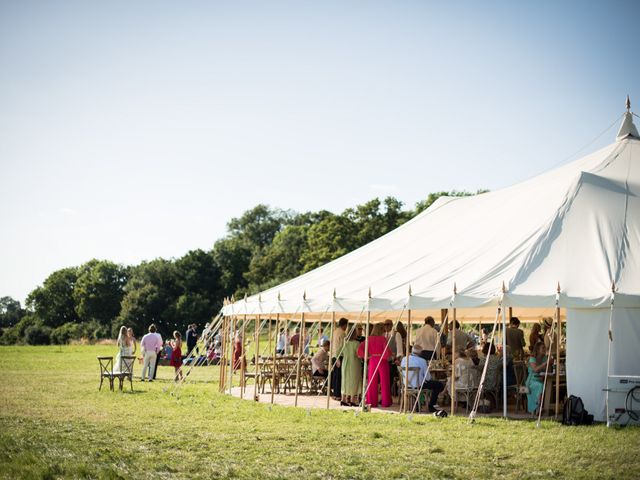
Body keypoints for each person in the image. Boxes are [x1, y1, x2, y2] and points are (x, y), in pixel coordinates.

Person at [400, 344, 445, 413]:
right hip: (419, 385)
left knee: (422, 383)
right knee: (439, 385)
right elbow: (427, 378)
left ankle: (419, 404)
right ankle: (431, 405)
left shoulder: (404, 359)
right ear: (421, 353)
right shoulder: (422, 361)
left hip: (406, 384)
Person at [357, 323, 392, 408]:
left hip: (373, 360)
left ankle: (371, 402)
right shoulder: (383, 339)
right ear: (381, 330)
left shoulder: (368, 339)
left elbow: (360, 349)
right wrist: (388, 355)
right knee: (385, 382)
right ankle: (386, 402)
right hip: (382, 360)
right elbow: (387, 351)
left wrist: (367, 356)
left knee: (372, 382)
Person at [525, 341, 553, 414]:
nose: (544, 349)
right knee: (541, 386)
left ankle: (543, 407)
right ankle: (538, 408)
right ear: (537, 349)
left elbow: (549, 370)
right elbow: (535, 369)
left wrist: (549, 362)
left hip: (540, 379)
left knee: (548, 386)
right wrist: (545, 363)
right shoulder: (532, 358)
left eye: (545, 348)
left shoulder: (544, 358)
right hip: (531, 381)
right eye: (543, 348)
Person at [340, 328, 362, 406]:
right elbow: (358, 354)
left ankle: (343, 398)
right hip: (354, 363)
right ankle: (352, 399)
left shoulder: (344, 343)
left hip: (345, 363)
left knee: (345, 380)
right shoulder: (356, 343)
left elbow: (339, 352)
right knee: (354, 380)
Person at [331, 318, 349, 399]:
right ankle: (337, 394)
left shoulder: (335, 331)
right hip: (339, 356)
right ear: (345, 325)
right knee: (339, 376)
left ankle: (335, 393)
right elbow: (342, 347)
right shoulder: (342, 333)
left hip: (334, 355)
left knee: (335, 375)